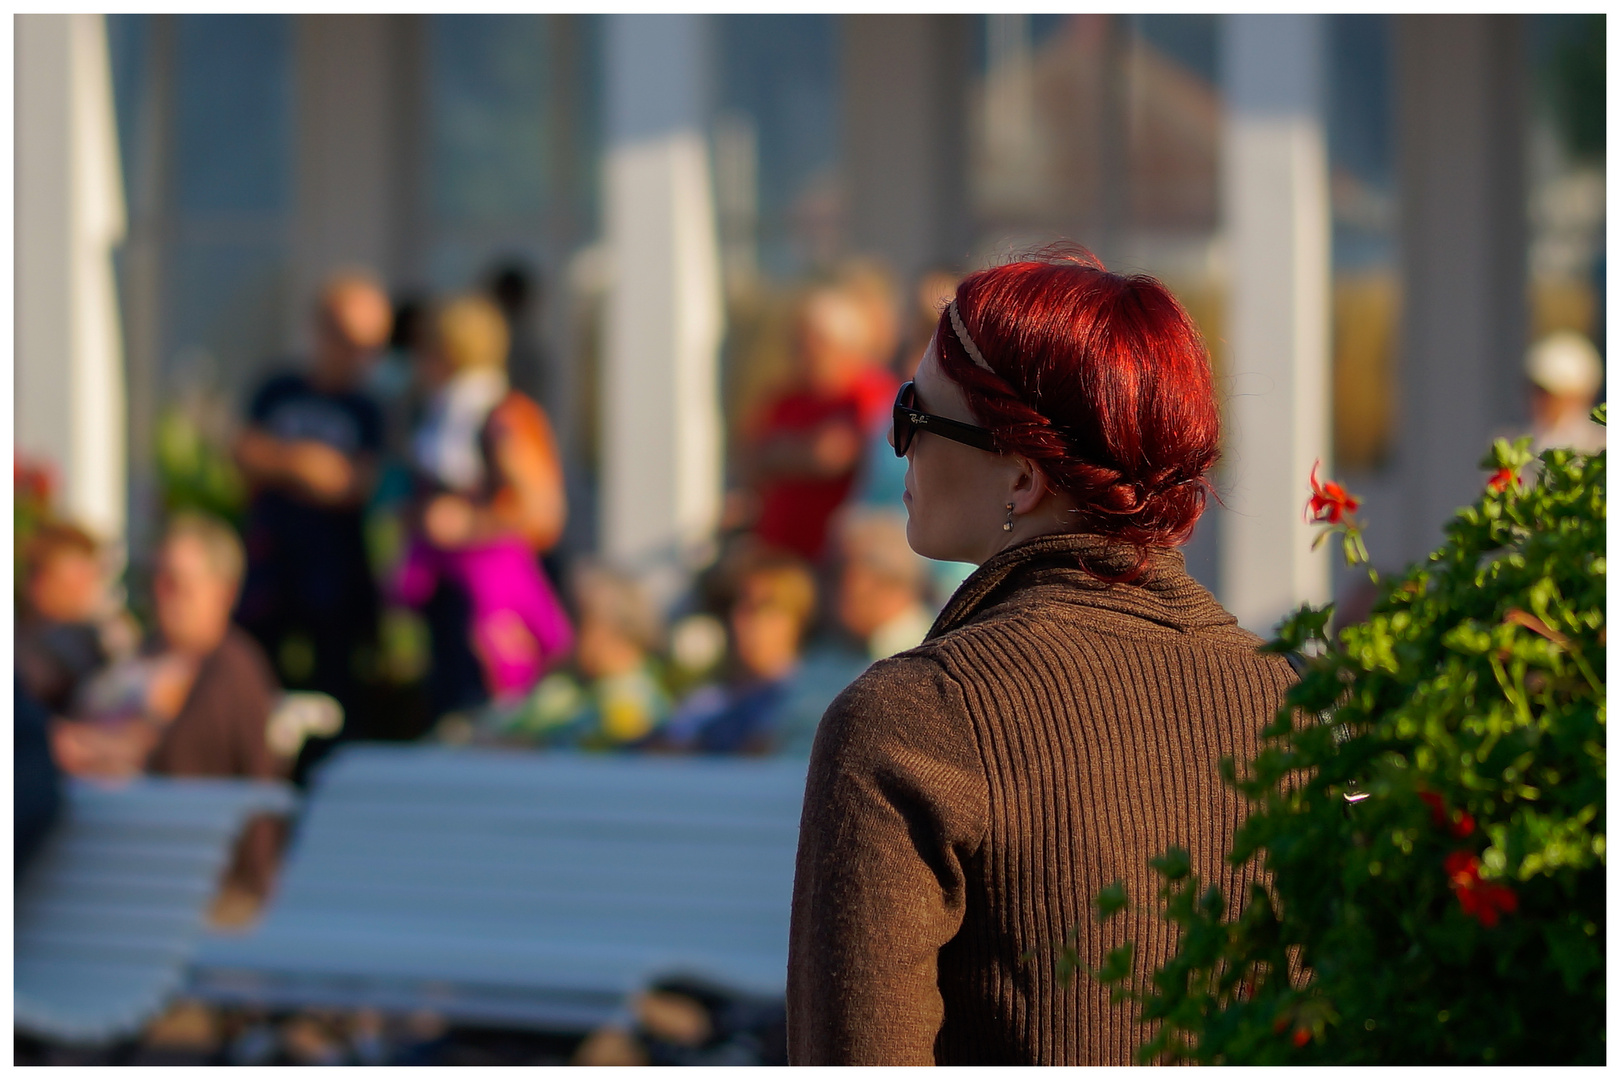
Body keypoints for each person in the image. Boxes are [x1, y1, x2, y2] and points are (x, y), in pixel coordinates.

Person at [786, 252, 1298, 1065]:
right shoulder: (1299, 709)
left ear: (1022, 479)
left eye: (915, 413)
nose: (897, 446)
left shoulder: (910, 724)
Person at [53, 514, 286, 904]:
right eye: (156, 580)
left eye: (178, 583)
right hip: (93, 856)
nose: (162, 593)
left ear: (223, 592)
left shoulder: (231, 671)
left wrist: (82, 747)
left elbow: (175, 757)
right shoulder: (134, 655)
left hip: (170, 877)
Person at [394, 295, 572, 715]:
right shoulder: (438, 413)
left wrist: (469, 523)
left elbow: (542, 511)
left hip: (492, 594)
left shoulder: (503, 417)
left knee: (488, 703)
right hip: (446, 588)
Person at [234, 273, 392, 743]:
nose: (359, 356)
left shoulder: (368, 407)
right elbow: (245, 453)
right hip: (272, 563)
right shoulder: (278, 388)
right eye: (348, 340)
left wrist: (284, 462)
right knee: (258, 669)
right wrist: (304, 463)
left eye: (371, 345)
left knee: (336, 684)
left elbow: (354, 483)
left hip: (335, 574)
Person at [745, 285, 899, 562]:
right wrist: (804, 453)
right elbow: (754, 457)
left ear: (842, 345)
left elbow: (833, 456)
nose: (799, 351)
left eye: (810, 341)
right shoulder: (787, 398)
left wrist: (785, 454)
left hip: (837, 559)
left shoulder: (869, 393)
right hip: (780, 554)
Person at [658, 548, 818, 755]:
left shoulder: (812, 700)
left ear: (797, 619)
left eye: (761, 608)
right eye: (736, 605)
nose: (739, 620)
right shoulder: (704, 702)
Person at [16, 521, 139, 714]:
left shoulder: (98, 634)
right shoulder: (28, 642)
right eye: (77, 579)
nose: (89, 588)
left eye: (92, 576)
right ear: (39, 582)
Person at [1526, 330, 1605, 454]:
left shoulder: (1602, 444)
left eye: (1551, 395)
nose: (1541, 401)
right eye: (1537, 391)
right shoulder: (1515, 442)